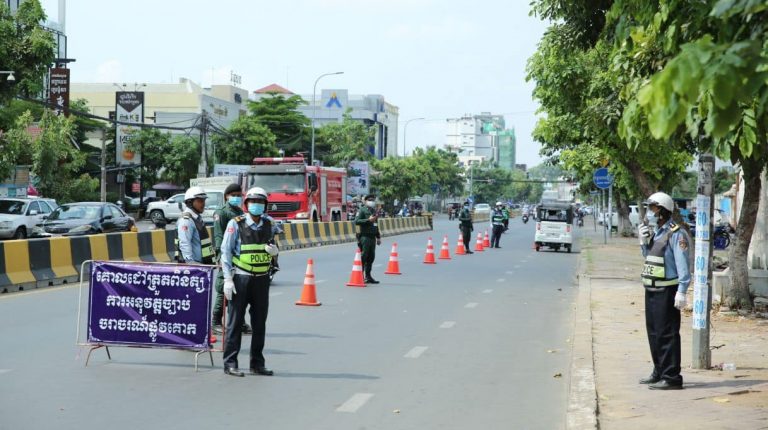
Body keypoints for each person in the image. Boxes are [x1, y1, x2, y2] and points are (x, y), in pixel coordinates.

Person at [219, 187, 279, 377]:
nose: (256, 205)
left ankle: (257, 364)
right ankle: (230, 363)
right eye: (253, 201)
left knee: (259, 323)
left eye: (260, 202)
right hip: (241, 278)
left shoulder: (270, 223)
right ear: (246, 204)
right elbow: (225, 252)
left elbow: (275, 246)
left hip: (262, 279)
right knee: (235, 323)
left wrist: (275, 252)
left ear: (265, 205)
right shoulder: (236, 223)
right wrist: (228, 279)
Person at [637, 192, 691, 390]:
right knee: (654, 333)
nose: (649, 212)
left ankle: (672, 376)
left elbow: (683, 265)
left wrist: (682, 291)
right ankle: (659, 371)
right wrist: (643, 242)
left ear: (663, 211)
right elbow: (650, 257)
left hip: (668, 290)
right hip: (652, 288)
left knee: (667, 334)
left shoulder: (676, 234)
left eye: (653, 208)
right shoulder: (657, 233)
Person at [211, 183, 250, 336]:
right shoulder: (221, 212)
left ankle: (238, 322)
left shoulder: (240, 212)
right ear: (227, 196)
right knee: (223, 288)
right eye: (233, 195)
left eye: (239, 195)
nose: (236, 198)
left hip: (240, 256)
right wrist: (221, 257)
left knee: (239, 290)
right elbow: (219, 236)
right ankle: (215, 321)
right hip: (226, 255)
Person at [175, 186, 214, 265]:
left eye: (204, 200)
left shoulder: (197, 218)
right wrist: (190, 264)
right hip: (194, 266)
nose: (203, 204)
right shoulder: (186, 220)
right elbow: (184, 243)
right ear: (190, 202)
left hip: (202, 264)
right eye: (200, 201)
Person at [355, 194, 382, 284]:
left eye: (373, 200)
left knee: (371, 257)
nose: (372, 202)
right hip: (365, 237)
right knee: (364, 257)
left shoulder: (374, 211)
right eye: (370, 200)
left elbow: (375, 225)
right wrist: (367, 220)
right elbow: (356, 221)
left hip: (372, 238)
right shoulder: (362, 210)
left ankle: (368, 276)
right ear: (366, 201)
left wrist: (378, 237)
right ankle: (360, 276)